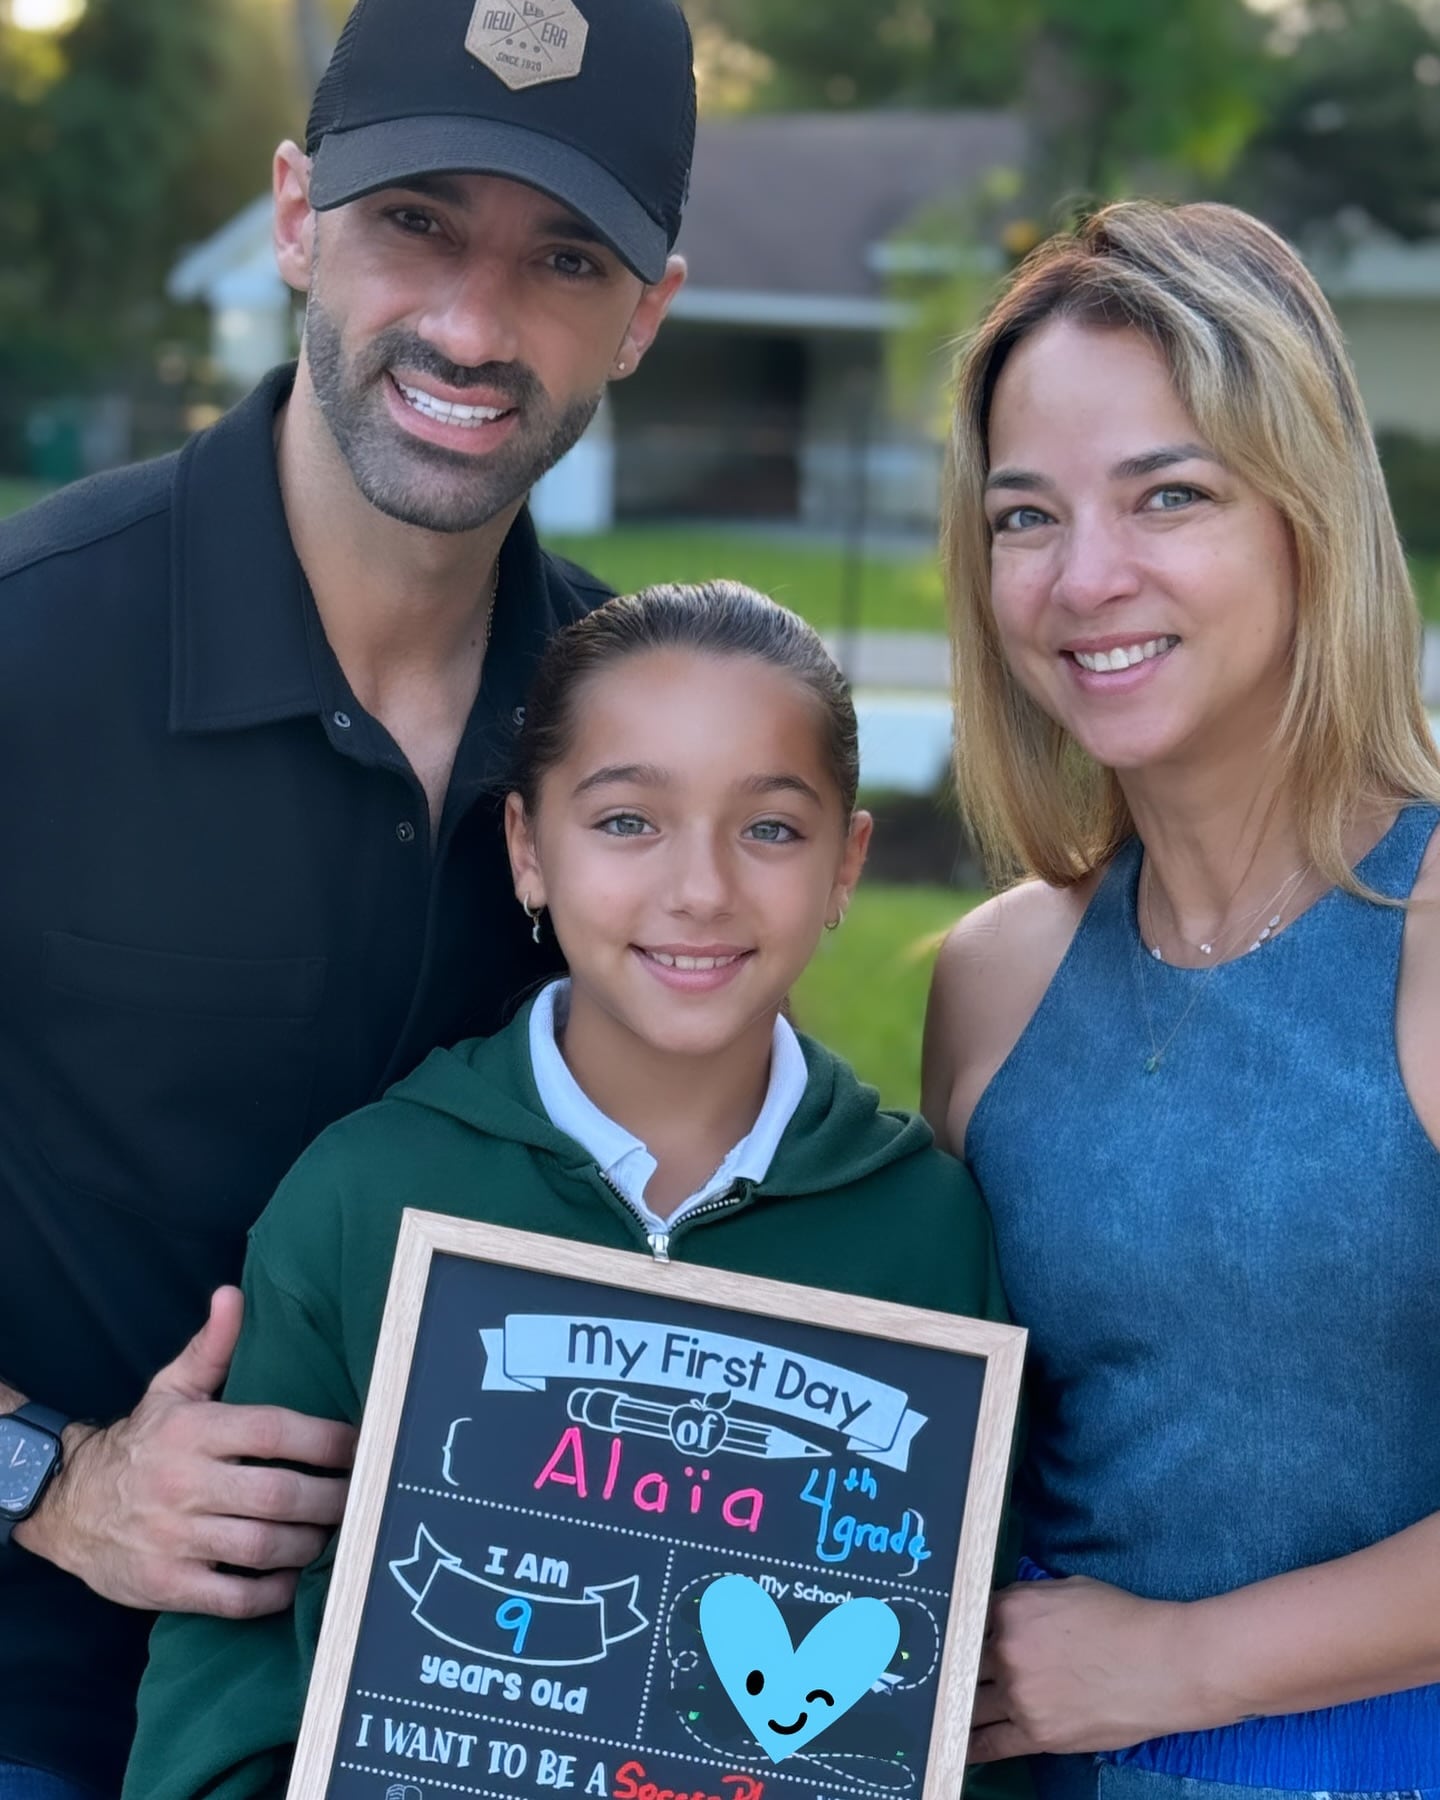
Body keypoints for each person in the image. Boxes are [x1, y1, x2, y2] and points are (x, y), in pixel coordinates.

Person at [0, 0, 695, 1792]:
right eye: (417, 224)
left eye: (560, 258)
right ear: (301, 214)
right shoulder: (27, 648)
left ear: (648, 313)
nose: (473, 323)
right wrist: (50, 1479)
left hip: (475, 1720)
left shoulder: (628, 741)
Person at [117, 580, 1011, 1799]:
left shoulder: (933, 1236)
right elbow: (224, 1686)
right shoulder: (366, 1196)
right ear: (528, 849)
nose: (699, 890)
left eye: (771, 829)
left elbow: (958, 1702)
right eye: (629, 822)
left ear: (847, 864)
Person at [922, 199, 1440, 1798]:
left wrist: (1174, 1664)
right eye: (1026, 517)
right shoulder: (992, 980)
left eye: (1171, 495)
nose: (1088, 578)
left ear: (1307, 517)